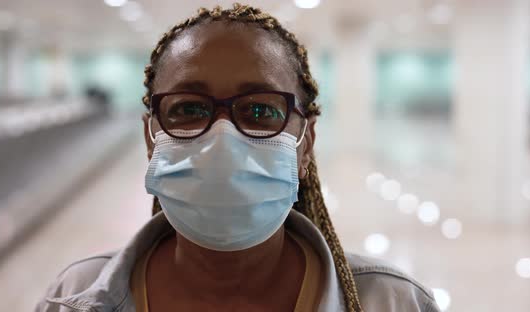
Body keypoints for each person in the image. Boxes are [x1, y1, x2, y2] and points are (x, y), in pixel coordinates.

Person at [35, 4, 439, 312]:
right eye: (189, 109)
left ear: (306, 141)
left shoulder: (391, 301)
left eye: (261, 110)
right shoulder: (71, 298)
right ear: (150, 137)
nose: (221, 138)